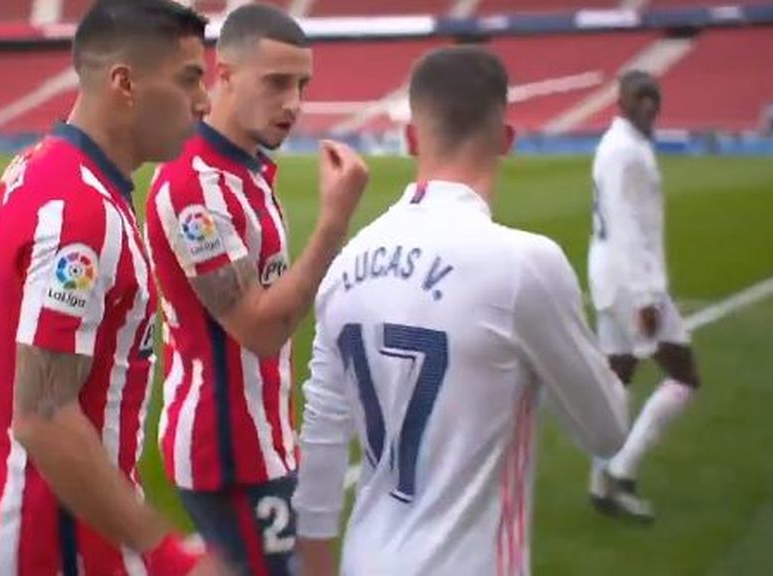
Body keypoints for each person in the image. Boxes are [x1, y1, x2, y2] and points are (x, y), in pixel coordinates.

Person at [293, 47, 628, 576]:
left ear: (409, 139)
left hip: (364, 561)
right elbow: (607, 432)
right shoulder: (524, 265)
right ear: (506, 139)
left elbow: (321, 438)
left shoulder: (345, 263)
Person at [0, 2, 223, 574]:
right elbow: (45, 414)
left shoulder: (39, 170)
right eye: (189, 79)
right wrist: (170, 554)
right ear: (125, 82)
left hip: (38, 528)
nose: (205, 102)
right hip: (58, 546)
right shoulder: (80, 211)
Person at [145, 4, 368, 574]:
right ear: (224, 75)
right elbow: (260, 329)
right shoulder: (196, 186)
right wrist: (334, 222)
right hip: (228, 450)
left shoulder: (247, 172)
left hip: (260, 436)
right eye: (276, 83)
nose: (293, 102)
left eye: (301, 85)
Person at [587, 70, 701, 521]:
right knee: (684, 376)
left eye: (654, 98)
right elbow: (627, 227)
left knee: (618, 378)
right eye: (640, 98)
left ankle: (600, 486)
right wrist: (648, 297)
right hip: (631, 284)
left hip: (610, 278)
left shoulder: (623, 145)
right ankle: (621, 470)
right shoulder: (624, 151)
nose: (650, 106)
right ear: (621, 102)